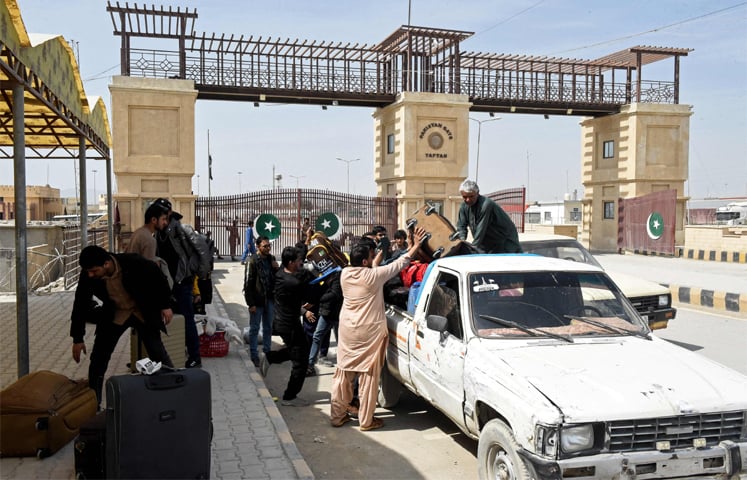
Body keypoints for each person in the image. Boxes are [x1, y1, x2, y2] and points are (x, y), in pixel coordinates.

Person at [329, 227, 426, 430]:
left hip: (348, 331)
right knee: (368, 377)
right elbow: (400, 264)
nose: (374, 257)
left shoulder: (346, 274)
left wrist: (378, 256)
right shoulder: (374, 277)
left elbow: (370, 268)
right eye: (371, 255)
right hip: (369, 334)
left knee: (344, 373)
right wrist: (415, 246)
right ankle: (366, 420)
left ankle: (337, 416)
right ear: (365, 261)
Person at [70, 245, 174, 406]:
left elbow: (158, 278)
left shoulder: (133, 262)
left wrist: (165, 305)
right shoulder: (88, 276)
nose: (90, 274)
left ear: (106, 264)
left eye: (94, 270)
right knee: (98, 358)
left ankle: (173, 391)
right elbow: (80, 304)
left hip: (142, 311)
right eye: (88, 271)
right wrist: (77, 338)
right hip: (115, 314)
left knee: (157, 352)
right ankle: (93, 402)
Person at [260, 246, 316, 406]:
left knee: (299, 350)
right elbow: (308, 289)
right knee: (301, 361)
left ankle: (271, 357)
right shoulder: (290, 281)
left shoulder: (283, 273)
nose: (301, 263)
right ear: (291, 263)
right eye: (299, 261)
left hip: (288, 322)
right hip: (287, 324)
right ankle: (290, 396)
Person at [154, 198, 202, 368]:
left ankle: (195, 356)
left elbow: (199, 250)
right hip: (169, 283)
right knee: (171, 320)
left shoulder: (179, 229)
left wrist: (192, 272)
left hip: (182, 282)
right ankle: (174, 355)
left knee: (187, 319)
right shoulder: (158, 232)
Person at [456, 179, 522, 254]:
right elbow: (461, 226)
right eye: (465, 197)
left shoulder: (486, 205)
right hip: (487, 242)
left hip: (503, 240)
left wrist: (472, 249)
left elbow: (481, 230)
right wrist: (461, 241)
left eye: (471, 196)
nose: (468, 200)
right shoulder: (464, 207)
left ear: (477, 193)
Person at [243, 236, 278, 367]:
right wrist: (250, 303)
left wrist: (276, 269)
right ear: (258, 247)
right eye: (265, 246)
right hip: (257, 301)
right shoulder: (252, 261)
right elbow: (248, 284)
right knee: (255, 328)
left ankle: (267, 353)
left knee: (268, 327)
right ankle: (254, 354)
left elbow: (277, 278)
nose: (268, 248)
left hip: (269, 299)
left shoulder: (271, 259)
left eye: (269, 246)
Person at [307, 268, 342, 371]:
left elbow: (335, 294)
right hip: (327, 312)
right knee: (317, 336)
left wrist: (317, 300)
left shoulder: (337, 274)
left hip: (336, 313)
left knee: (340, 340)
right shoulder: (322, 272)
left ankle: (343, 367)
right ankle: (310, 365)